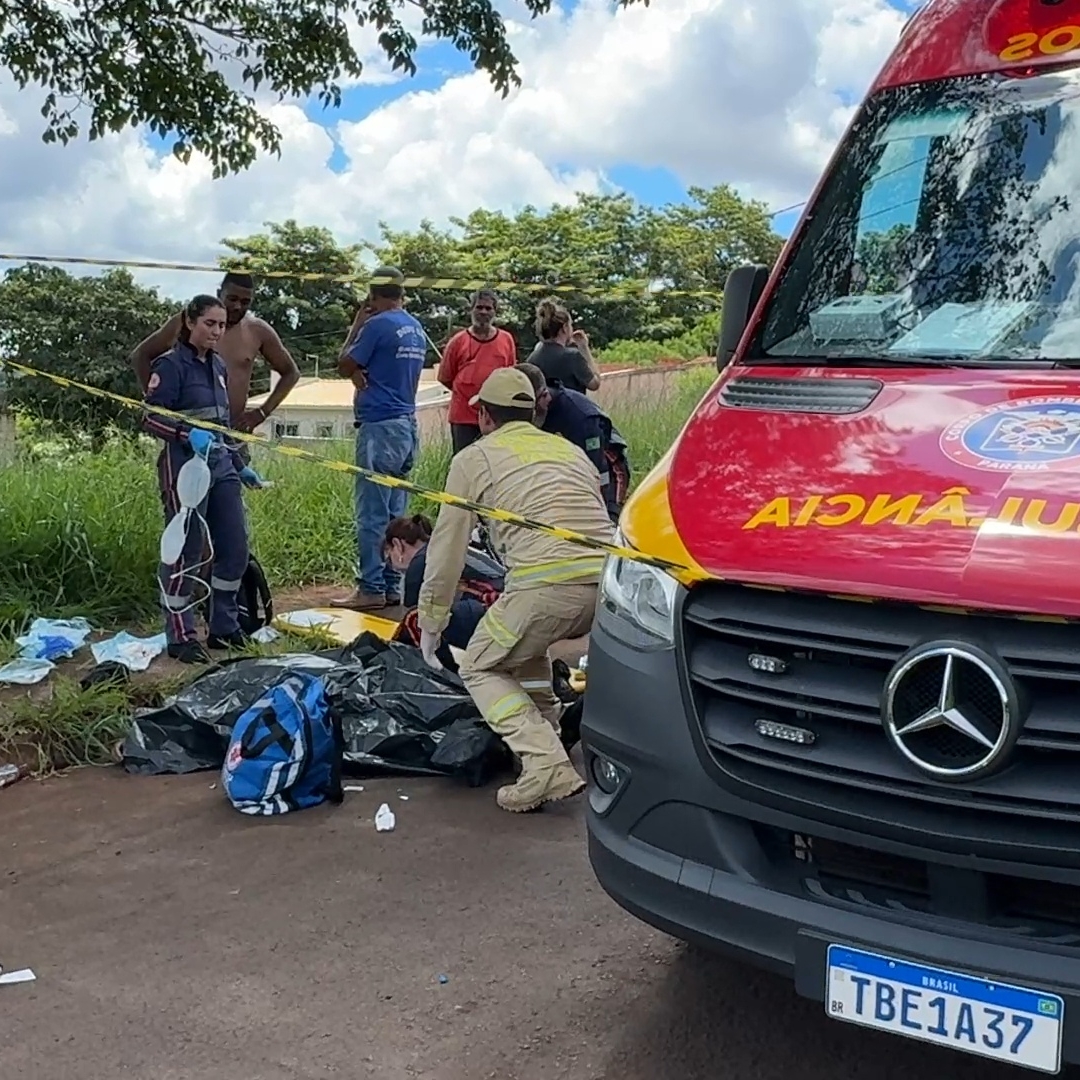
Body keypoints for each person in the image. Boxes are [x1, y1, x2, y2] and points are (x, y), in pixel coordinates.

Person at [416, 368, 616, 813]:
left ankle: (544, 762)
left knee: (482, 667)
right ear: (532, 411)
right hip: (607, 584)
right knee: (526, 649)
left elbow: (447, 550)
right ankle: (547, 731)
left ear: (484, 415)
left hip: (545, 585)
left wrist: (431, 621)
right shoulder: (567, 450)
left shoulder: (474, 459)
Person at [142, 295, 263, 664]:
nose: (216, 331)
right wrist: (184, 434)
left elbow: (221, 424)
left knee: (235, 547)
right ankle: (180, 634)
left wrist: (239, 462)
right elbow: (149, 418)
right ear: (190, 322)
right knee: (185, 551)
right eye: (209, 323)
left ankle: (223, 626)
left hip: (222, 466)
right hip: (185, 471)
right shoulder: (171, 365)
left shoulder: (219, 367)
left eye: (222, 325)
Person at [332, 267, 425, 612]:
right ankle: (391, 584)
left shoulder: (375, 325)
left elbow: (343, 363)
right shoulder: (415, 328)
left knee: (372, 514)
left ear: (372, 295)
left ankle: (370, 586)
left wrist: (358, 323)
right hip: (407, 426)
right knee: (394, 514)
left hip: (379, 426)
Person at [131, 272, 300, 435]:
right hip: (187, 434)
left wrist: (262, 413)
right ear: (220, 293)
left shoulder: (258, 330)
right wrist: (158, 404)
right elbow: (141, 355)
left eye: (245, 302)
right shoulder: (187, 321)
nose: (237, 306)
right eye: (232, 299)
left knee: (237, 465)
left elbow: (291, 373)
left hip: (233, 434)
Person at [384, 514, 505, 670]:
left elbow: (414, 621)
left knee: (416, 620)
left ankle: (444, 672)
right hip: (505, 602)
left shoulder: (422, 561)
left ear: (397, 545)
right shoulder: (443, 546)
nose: (391, 564)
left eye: (389, 556)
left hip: (492, 606)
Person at [516, 363, 631, 522]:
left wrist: (605, 509)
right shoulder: (528, 411)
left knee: (602, 519)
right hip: (561, 468)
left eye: (533, 407)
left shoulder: (580, 417)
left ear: (545, 396)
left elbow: (597, 470)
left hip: (605, 467)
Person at [437, 289, 518, 454]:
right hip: (463, 419)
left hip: (496, 417)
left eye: (488, 308)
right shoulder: (457, 342)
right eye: (479, 307)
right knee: (464, 463)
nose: (483, 312)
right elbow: (445, 377)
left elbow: (510, 375)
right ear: (471, 310)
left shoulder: (506, 340)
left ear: (495, 312)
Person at [526, 297, 601, 395]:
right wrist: (584, 348)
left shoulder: (532, 358)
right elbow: (595, 384)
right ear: (565, 328)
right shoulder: (572, 356)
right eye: (570, 325)